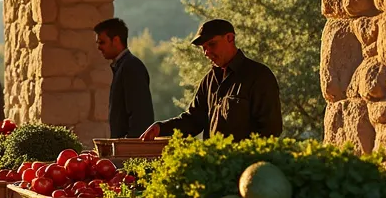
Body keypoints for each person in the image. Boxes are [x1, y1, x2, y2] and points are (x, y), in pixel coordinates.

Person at [141, 19, 282, 142]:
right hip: (214, 168)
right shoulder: (209, 80)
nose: (206, 53)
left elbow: (270, 130)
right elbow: (193, 120)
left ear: (230, 38)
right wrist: (161, 128)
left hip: (247, 168)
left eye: (212, 44)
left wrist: (241, 159)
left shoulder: (259, 76)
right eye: (203, 48)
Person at [94, 18, 154, 138]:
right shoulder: (123, 67)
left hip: (130, 151)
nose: (99, 48)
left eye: (102, 42)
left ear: (115, 40)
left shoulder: (131, 67)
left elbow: (140, 115)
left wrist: (130, 147)